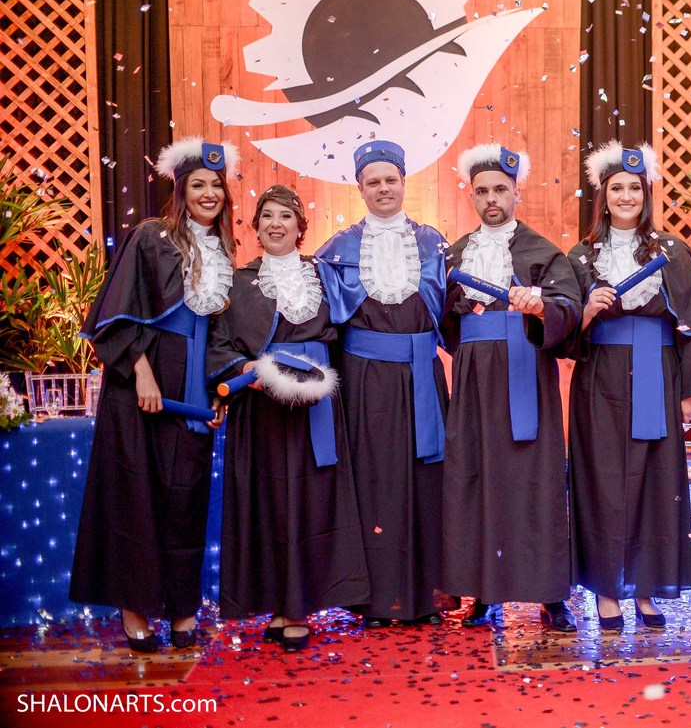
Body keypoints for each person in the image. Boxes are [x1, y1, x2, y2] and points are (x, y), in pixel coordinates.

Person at [70, 137, 235, 652]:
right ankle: (135, 609)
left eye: (216, 186)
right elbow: (112, 314)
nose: (208, 194)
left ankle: (183, 610)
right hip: (139, 387)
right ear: (180, 190)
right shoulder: (149, 236)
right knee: (135, 499)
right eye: (198, 185)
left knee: (186, 499)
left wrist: (219, 389)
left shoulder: (226, 252)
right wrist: (141, 371)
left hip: (192, 393)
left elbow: (220, 334)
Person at [208, 185, 370, 652]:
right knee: (270, 505)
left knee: (313, 502)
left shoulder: (325, 276)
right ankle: (278, 605)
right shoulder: (237, 283)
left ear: (300, 226)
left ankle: (298, 609)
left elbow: (349, 335)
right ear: (255, 227)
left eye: (285, 216)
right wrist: (243, 370)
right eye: (267, 216)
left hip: (317, 405)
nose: (275, 224)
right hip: (261, 407)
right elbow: (219, 345)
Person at [440, 144, 582, 631]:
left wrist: (540, 309)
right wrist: (476, 347)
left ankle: (550, 595)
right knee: (477, 478)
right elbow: (444, 321)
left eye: (500, 189)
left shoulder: (543, 252)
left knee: (536, 481)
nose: (491, 199)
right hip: (475, 382)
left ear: (516, 193)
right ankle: (484, 591)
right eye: (482, 191)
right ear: (471, 196)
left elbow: (569, 308)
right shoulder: (455, 254)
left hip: (527, 375)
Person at [567, 140, 691, 631]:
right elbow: (562, 333)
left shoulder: (673, 252)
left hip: (658, 373)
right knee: (603, 482)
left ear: (646, 195)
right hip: (599, 377)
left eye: (635, 188)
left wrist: (689, 391)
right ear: (602, 197)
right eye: (617, 189)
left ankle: (646, 587)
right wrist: (586, 312)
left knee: (654, 483)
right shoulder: (580, 257)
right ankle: (607, 590)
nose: (626, 196)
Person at [315, 140, 451, 626]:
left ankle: (424, 597)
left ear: (404, 182)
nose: (383, 188)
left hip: (422, 374)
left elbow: (454, 313)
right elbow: (322, 325)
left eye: (390, 179)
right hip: (364, 380)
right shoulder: (336, 251)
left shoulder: (435, 244)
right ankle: (375, 600)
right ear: (360, 189)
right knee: (373, 483)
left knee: (425, 480)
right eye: (373, 182)